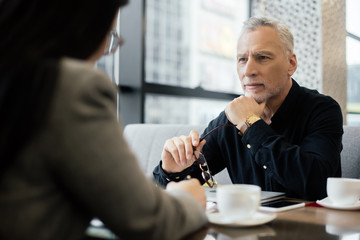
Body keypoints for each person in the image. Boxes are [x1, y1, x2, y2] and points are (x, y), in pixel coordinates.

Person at [0, 0, 208, 239]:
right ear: (84, 27)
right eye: (109, 36)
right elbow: (148, 219)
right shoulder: (70, 87)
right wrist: (188, 196)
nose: (105, 51)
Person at [153, 17, 343, 201]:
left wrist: (250, 123)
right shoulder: (228, 120)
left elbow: (317, 184)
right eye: (242, 59)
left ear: (291, 64)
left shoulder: (322, 110)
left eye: (262, 57)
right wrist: (171, 170)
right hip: (244, 229)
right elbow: (167, 190)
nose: (248, 71)